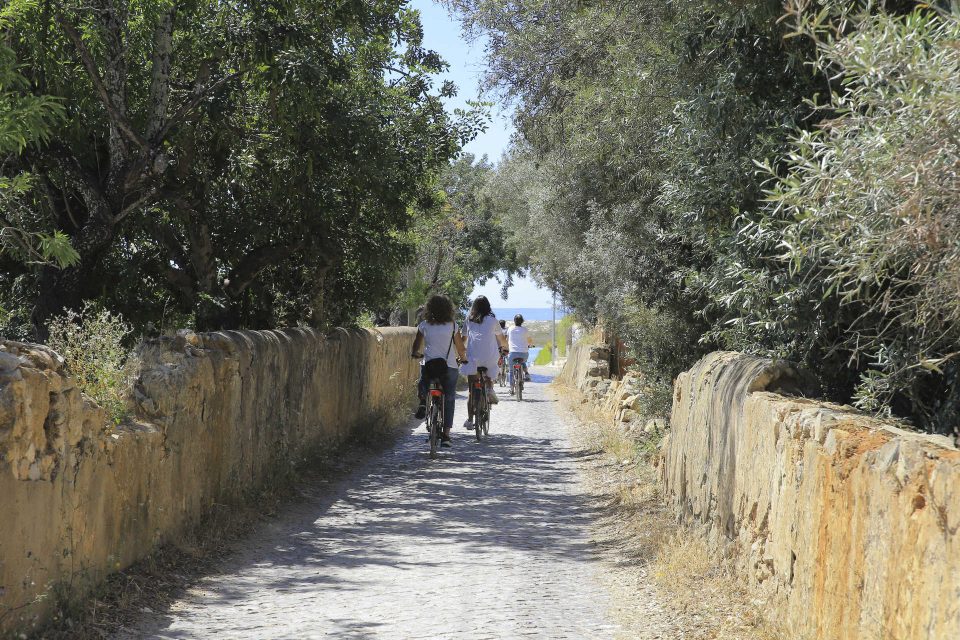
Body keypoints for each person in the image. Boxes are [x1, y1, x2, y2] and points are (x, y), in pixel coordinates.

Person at [410, 295, 466, 446]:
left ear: (429, 308)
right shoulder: (452, 325)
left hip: (429, 364)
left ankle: (423, 401)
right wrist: (463, 358)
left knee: (424, 379)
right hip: (449, 366)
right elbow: (460, 347)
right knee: (449, 398)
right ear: (449, 309)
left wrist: (416, 354)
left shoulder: (424, 325)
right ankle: (446, 436)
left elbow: (415, 347)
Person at [459, 295, 508, 430]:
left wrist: (460, 354)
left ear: (474, 307)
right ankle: (489, 388)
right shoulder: (493, 320)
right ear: (488, 307)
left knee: (471, 391)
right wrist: (505, 348)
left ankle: (470, 420)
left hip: (473, 358)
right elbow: (502, 339)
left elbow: (463, 340)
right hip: (489, 358)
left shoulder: (469, 320)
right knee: (490, 369)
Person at [506, 314, 534, 391]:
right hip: (524, 354)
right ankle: (526, 373)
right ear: (522, 321)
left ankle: (511, 389)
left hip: (512, 353)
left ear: (514, 321)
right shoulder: (525, 330)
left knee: (511, 371)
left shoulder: (510, 329)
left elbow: (507, 339)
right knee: (522, 361)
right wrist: (530, 345)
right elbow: (529, 340)